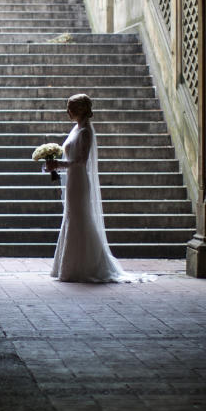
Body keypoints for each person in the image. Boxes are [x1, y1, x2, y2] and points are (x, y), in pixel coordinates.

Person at [44, 94, 152, 283]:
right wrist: (55, 164)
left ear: (80, 109)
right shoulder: (76, 129)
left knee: (80, 218)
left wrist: (59, 164)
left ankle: (85, 265)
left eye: (70, 107)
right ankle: (69, 264)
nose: (67, 111)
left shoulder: (86, 132)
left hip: (79, 181)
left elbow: (81, 161)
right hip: (72, 181)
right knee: (72, 217)